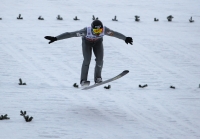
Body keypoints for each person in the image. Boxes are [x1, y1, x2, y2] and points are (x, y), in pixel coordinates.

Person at [44, 20, 133, 86]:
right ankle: (83, 80)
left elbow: (115, 34)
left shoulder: (105, 30)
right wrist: (56, 38)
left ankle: (98, 78)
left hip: (98, 43)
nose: (98, 33)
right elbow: (70, 34)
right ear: (92, 29)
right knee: (87, 60)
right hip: (87, 43)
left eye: (99, 31)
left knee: (100, 60)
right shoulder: (85, 31)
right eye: (96, 31)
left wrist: (125, 38)